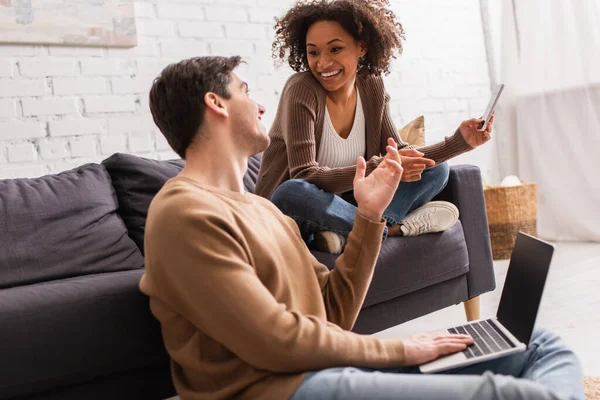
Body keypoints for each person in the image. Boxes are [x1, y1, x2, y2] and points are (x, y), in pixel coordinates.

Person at [142, 55, 584, 400]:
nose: (260, 105)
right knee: (507, 394)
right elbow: (275, 342)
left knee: (540, 344)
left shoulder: (264, 212)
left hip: (326, 367)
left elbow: (334, 313)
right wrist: (403, 350)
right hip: (275, 390)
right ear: (215, 103)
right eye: (245, 91)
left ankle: (392, 223)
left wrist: (371, 217)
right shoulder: (184, 214)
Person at [255, 0, 495, 254]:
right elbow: (303, 175)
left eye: (335, 49)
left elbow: (397, 151)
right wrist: (378, 168)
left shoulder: (371, 85)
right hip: (292, 208)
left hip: (347, 203)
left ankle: (345, 234)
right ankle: (390, 230)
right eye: (313, 52)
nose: (323, 63)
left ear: (362, 47)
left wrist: (460, 142)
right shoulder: (301, 89)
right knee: (293, 191)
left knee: (436, 169)